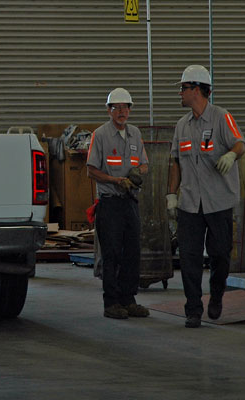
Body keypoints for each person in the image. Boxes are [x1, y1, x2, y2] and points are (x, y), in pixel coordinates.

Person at [166, 65, 245, 328]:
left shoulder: (222, 118)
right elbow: (175, 162)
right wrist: (171, 194)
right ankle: (193, 309)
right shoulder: (181, 126)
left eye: (183, 88)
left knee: (220, 255)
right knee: (189, 257)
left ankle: (217, 295)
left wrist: (231, 154)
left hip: (219, 201)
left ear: (197, 90)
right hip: (190, 202)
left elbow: (240, 143)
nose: (180, 93)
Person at [86, 88, 150, 320]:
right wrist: (116, 181)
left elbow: (144, 164)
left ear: (130, 110)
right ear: (109, 110)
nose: (122, 111)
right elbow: (91, 170)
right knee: (112, 253)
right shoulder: (100, 135)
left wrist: (137, 172)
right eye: (117, 107)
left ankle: (128, 299)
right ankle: (111, 302)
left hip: (130, 202)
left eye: (125, 107)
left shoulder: (135, 134)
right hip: (110, 203)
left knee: (132, 252)